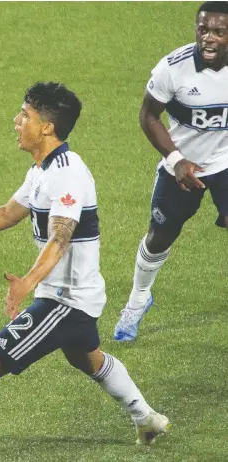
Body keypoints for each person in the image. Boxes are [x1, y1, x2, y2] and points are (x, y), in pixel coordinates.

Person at [0, 82, 170, 462]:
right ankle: (147, 418)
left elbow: (61, 236)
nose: (16, 121)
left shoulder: (68, 174)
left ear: (46, 127)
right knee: (89, 359)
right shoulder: (43, 169)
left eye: (24, 115)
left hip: (65, 301)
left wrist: (28, 281)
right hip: (73, 296)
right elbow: (8, 212)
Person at [113, 1, 228, 342]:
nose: (209, 38)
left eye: (219, 32)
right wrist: (177, 160)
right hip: (181, 167)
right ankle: (137, 300)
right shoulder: (173, 68)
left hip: (225, 164)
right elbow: (148, 116)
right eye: (203, 30)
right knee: (160, 236)